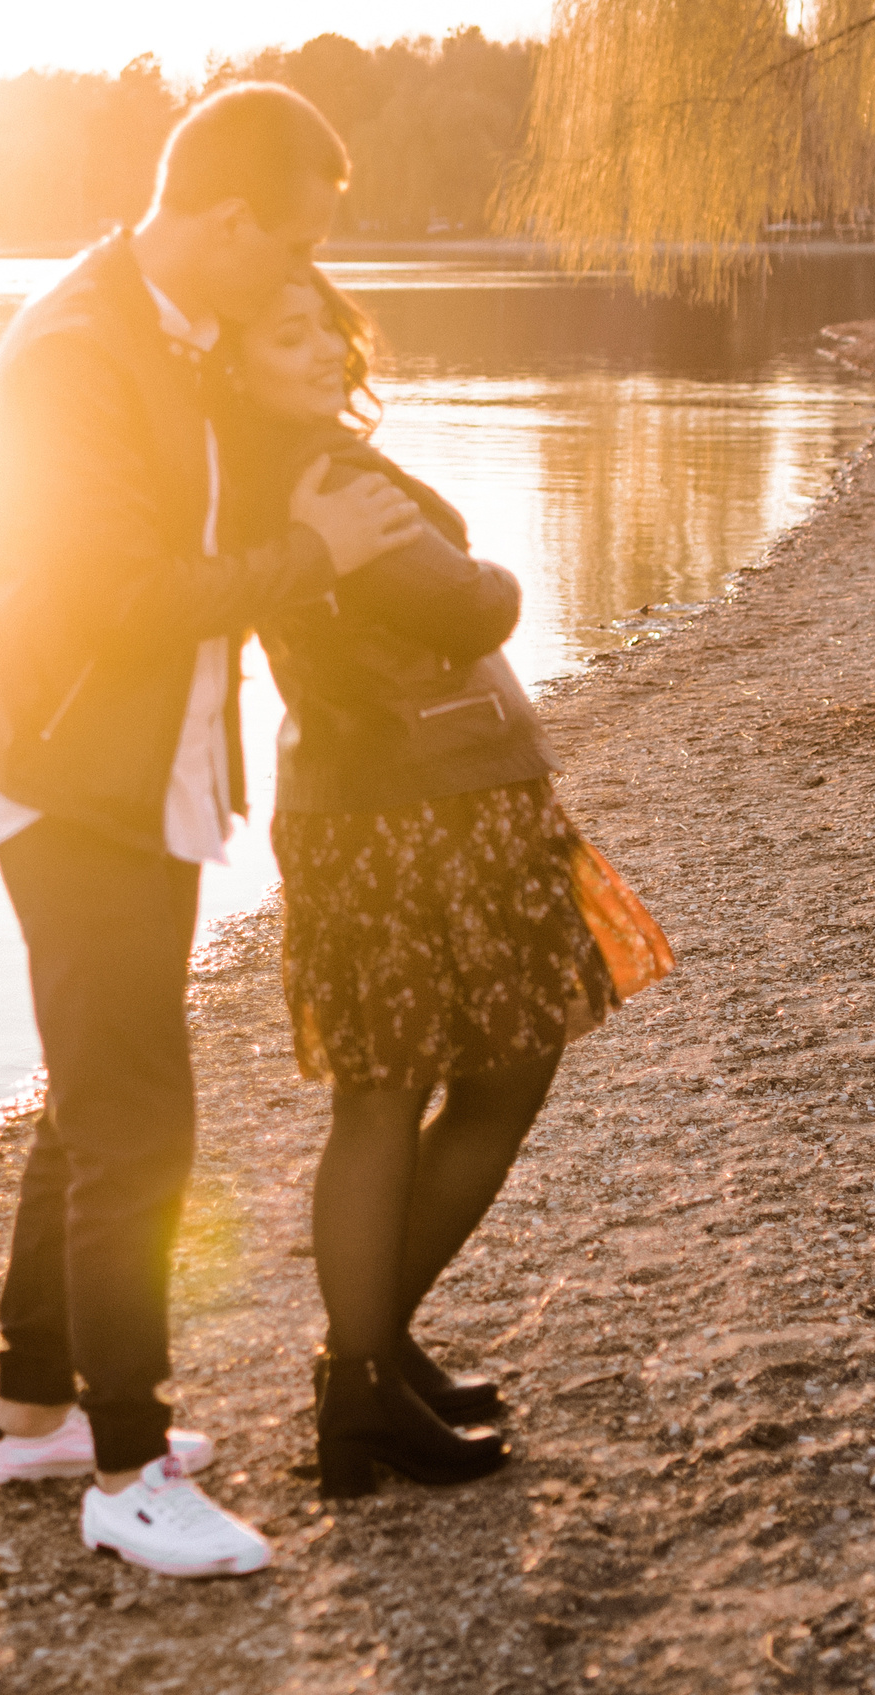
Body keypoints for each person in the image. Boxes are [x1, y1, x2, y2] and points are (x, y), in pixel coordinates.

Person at [0, 87, 429, 1576]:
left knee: (98, 1091)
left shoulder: (164, 327)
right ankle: (131, 1471)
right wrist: (311, 554)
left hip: (128, 759)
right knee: (142, 1114)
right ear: (220, 219)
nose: (297, 270)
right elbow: (119, 594)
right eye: (289, 241)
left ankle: (38, 1413)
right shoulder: (81, 352)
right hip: (68, 764)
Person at [222, 270, 624, 1499]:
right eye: (278, 334)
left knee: (418, 1083)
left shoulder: (282, 465)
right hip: (416, 813)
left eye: (319, 329)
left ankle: (371, 1357)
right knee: (419, 1087)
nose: (314, 351)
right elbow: (467, 610)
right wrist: (495, 575)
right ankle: (356, 1383)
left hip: (409, 802)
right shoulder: (317, 476)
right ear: (230, 359)